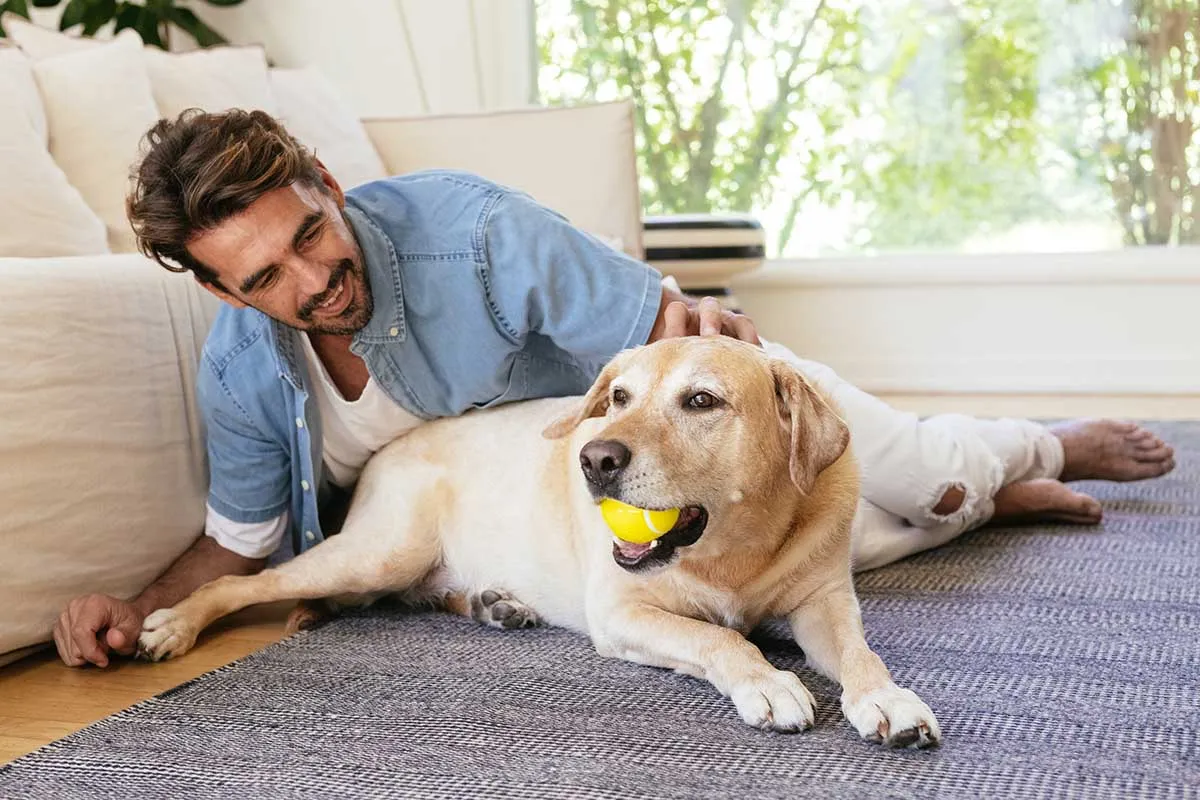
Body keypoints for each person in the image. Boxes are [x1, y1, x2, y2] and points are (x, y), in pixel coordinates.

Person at [51, 109, 1175, 667]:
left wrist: (752, 403)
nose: (314, 278)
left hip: (682, 421)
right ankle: (993, 494)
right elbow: (238, 545)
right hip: (576, 507)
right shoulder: (246, 371)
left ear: (331, 185)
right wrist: (135, 599)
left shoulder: (470, 231)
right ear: (228, 293)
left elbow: (679, 344)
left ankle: (1036, 445)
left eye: (312, 233)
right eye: (267, 276)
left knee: (913, 484)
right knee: (833, 557)